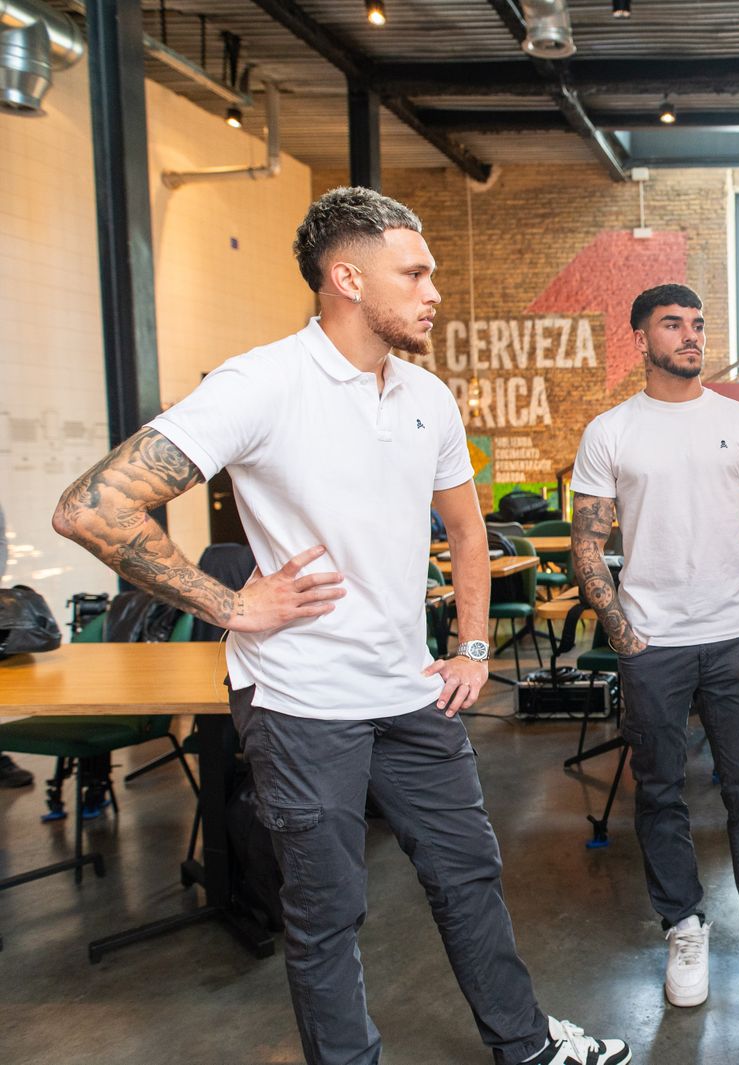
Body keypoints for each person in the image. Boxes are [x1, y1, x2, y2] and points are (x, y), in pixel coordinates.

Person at [52, 187, 628, 1065]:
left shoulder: (427, 395)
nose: (434, 291)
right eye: (416, 273)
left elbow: (468, 529)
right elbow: (90, 507)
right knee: (327, 915)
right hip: (300, 702)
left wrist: (473, 646)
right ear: (347, 278)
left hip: (411, 690)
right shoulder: (260, 384)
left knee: (468, 876)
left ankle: (527, 1045)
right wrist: (231, 605)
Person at [569, 283, 739, 1030]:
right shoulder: (611, 431)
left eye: (697, 324)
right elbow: (587, 541)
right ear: (640, 338)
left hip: (733, 637)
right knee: (659, 791)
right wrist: (623, 632)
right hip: (652, 644)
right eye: (672, 324)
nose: (691, 335)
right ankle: (683, 926)